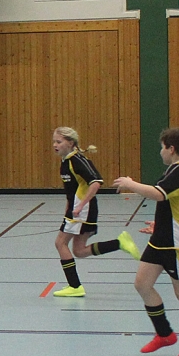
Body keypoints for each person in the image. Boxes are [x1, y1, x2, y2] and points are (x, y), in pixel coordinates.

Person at [113, 127, 179, 356]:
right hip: (160, 240)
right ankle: (164, 334)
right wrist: (159, 224)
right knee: (142, 284)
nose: (160, 152)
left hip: (177, 244)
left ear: (171, 149)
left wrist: (130, 183)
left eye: (162, 147)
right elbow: (171, 203)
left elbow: (158, 194)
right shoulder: (173, 170)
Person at [50, 127, 140, 297]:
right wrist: (68, 208)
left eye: (59, 142)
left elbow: (96, 182)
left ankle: (75, 286)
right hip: (78, 210)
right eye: (54, 141)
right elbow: (72, 191)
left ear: (70, 143)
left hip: (82, 211)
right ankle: (119, 243)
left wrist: (80, 206)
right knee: (79, 250)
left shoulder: (77, 160)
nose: (55, 145)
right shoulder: (65, 162)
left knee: (60, 243)